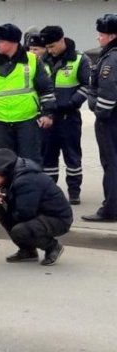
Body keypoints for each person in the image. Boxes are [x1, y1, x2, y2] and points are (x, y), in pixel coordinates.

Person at [0, 23, 56, 164]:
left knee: (30, 161)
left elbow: (45, 88)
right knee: (5, 163)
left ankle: (30, 187)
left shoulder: (32, 61)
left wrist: (47, 114)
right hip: (0, 120)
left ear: (13, 43)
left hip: (27, 120)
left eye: (1, 41)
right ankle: (8, 187)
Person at [0, 148, 73, 265]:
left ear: (3, 172)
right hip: (42, 213)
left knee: (20, 230)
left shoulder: (26, 180)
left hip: (58, 219)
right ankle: (28, 251)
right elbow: (13, 197)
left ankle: (53, 247)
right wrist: (1, 199)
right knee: (1, 211)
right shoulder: (14, 175)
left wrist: (7, 202)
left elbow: (24, 214)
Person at [39, 26, 91, 205]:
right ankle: (50, 192)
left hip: (69, 117)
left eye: (53, 46)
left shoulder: (79, 59)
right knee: (48, 159)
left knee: (72, 157)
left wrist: (73, 102)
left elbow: (88, 85)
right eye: (47, 47)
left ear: (62, 40)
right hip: (47, 117)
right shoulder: (42, 61)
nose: (50, 50)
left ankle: (74, 192)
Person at [82, 14, 117, 222]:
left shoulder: (110, 59)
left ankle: (110, 209)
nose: (98, 38)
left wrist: (98, 111)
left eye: (101, 34)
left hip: (110, 120)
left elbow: (108, 91)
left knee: (111, 163)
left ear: (111, 36)